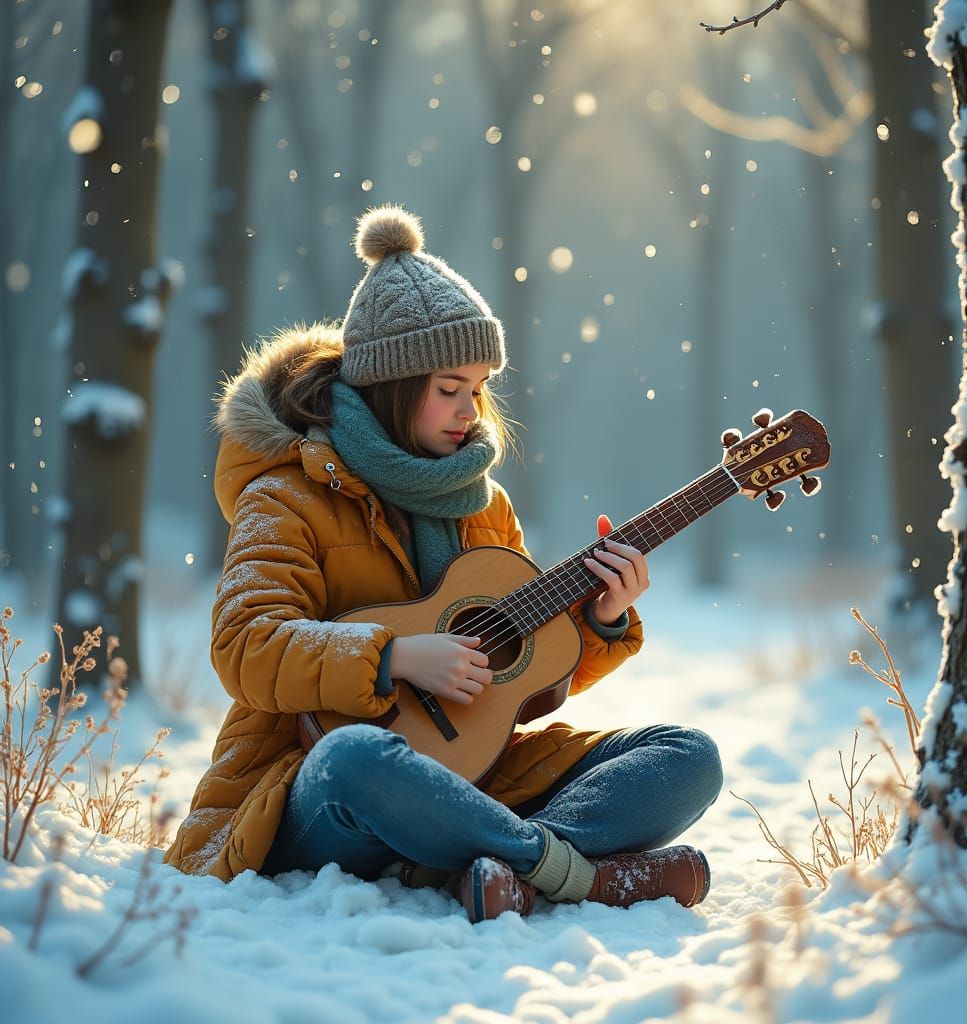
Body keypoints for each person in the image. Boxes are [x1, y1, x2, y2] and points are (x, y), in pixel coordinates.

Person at [164, 206, 723, 921]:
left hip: (472, 778)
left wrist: (601, 619)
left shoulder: (484, 507)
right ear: (392, 387)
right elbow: (244, 646)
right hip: (315, 787)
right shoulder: (286, 496)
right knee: (357, 757)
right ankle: (575, 873)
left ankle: (500, 864)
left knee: (686, 755)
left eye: (479, 389)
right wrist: (393, 658)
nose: (470, 412)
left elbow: (518, 681)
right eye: (448, 389)